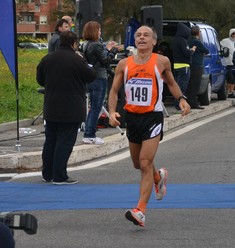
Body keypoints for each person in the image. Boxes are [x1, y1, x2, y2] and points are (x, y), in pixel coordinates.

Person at [107, 25, 191, 227]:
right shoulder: (124, 64)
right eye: (138, 35)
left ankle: (140, 211)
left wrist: (181, 99)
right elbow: (114, 90)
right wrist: (111, 112)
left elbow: (171, 83)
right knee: (138, 164)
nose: (142, 38)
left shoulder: (161, 61)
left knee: (145, 162)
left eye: (146, 35)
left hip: (152, 117)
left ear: (154, 41)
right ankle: (158, 176)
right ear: (134, 41)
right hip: (132, 118)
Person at [37, 30, 97, 184]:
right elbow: (91, 76)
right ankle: (60, 175)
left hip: (51, 106)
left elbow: (40, 79)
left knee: (50, 140)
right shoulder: (77, 60)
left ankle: (47, 174)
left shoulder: (47, 58)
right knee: (65, 141)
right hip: (71, 108)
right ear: (74, 44)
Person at [81, 21, 118, 145]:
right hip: (99, 78)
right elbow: (106, 61)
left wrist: (106, 48)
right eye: (99, 30)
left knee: (93, 107)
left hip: (90, 77)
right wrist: (113, 50)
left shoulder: (86, 44)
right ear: (94, 31)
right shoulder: (96, 45)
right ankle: (90, 134)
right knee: (96, 107)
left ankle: (89, 132)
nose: (100, 32)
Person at [185, 25, 208, 110]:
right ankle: (193, 103)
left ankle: (188, 101)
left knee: (189, 84)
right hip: (197, 65)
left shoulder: (188, 41)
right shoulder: (197, 42)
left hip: (189, 64)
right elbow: (206, 51)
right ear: (198, 33)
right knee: (195, 85)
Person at [170, 23, 193, 108]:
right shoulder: (183, 41)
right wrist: (192, 50)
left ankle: (176, 102)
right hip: (184, 66)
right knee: (182, 86)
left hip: (176, 65)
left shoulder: (175, 40)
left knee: (177, 84)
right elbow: (187, 53)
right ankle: (179, 104)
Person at [220, 28, 235, 97]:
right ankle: (226, 90)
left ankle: (231, 91)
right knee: (229, 77)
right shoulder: (225, 41)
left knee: (234, 78)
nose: (234, 35)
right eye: (233, 33)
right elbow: (221, 48)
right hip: (228, 62)